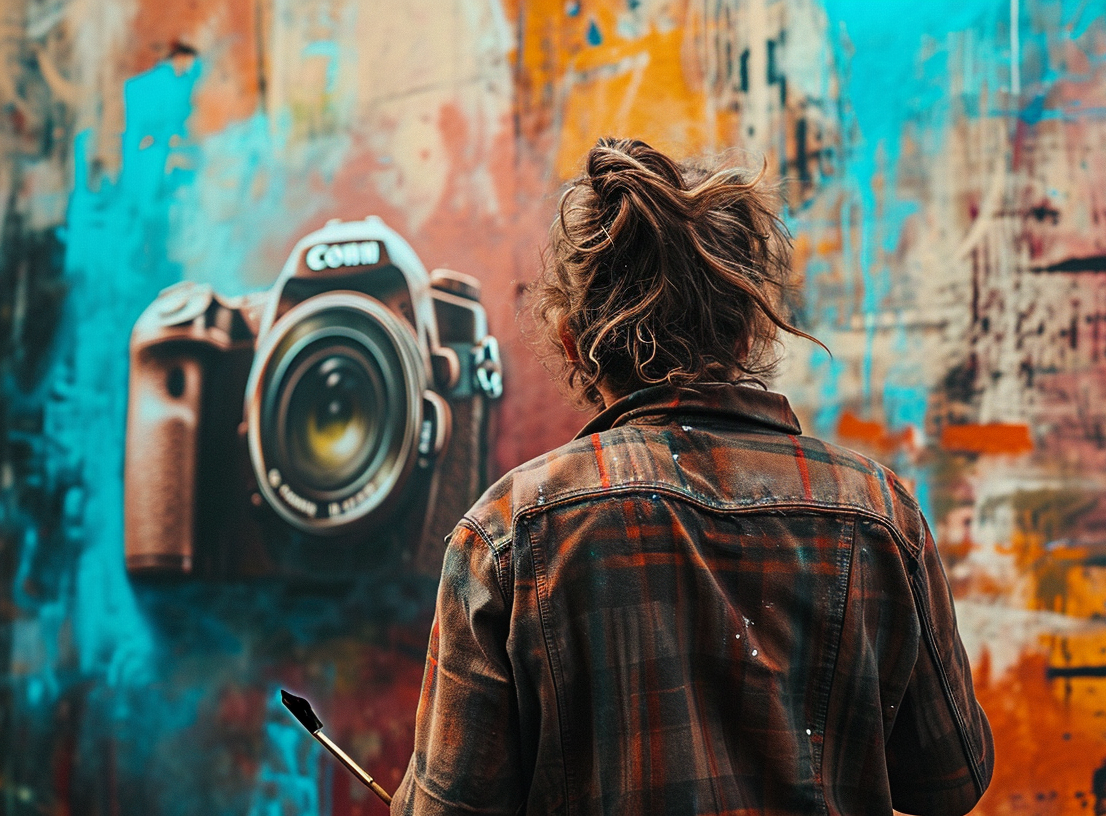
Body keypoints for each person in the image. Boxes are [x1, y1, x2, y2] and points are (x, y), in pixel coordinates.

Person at [389, 138, 993, 815]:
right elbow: (951, 780)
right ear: (746, 334)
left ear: (572, 343)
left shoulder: (508, 536)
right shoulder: (880, 515)